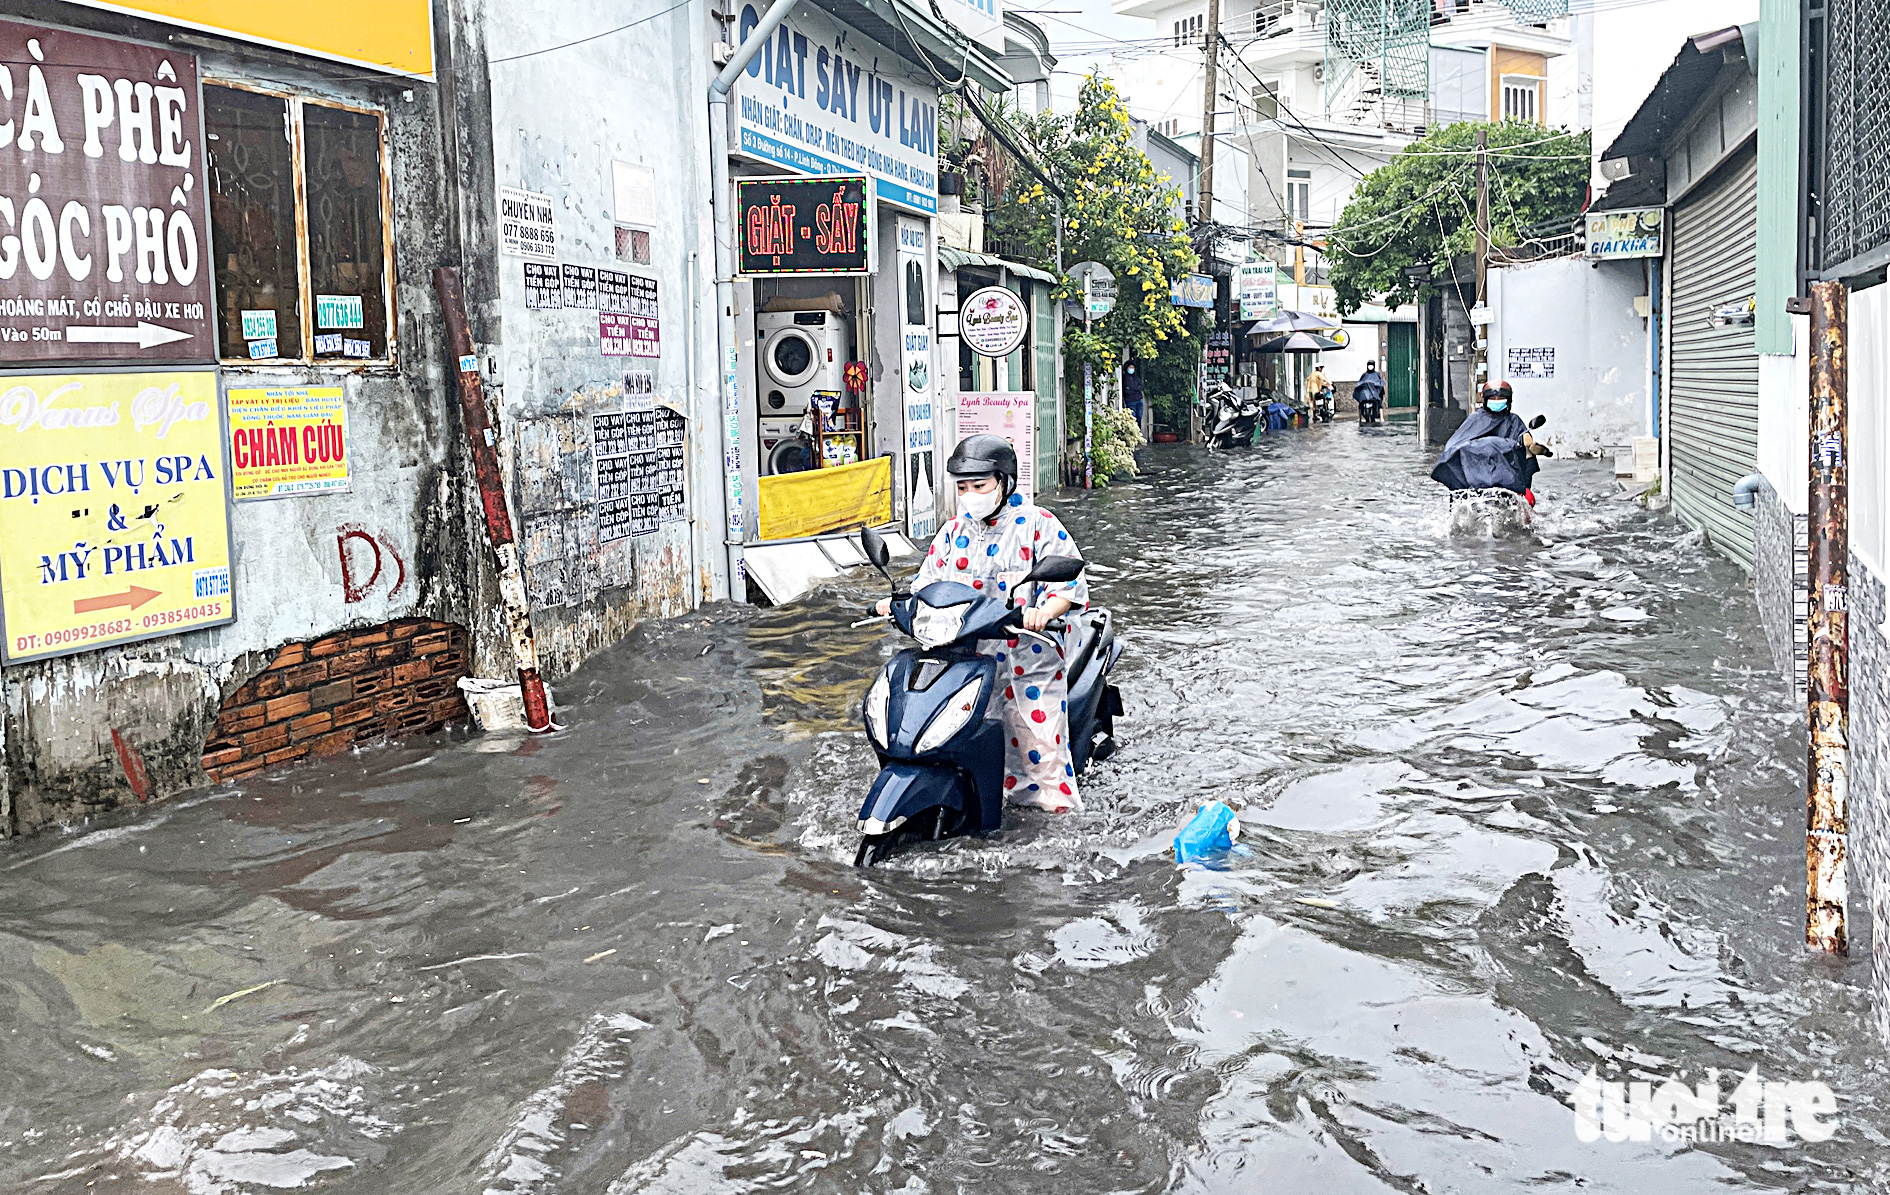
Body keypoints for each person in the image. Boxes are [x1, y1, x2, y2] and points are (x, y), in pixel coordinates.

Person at [876, 434, 1091, 812]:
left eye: (980, 485)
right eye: (963, 486)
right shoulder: (952, 532)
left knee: (1039, 751)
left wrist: (1045, 611)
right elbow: (926, 586)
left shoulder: (1037, 524)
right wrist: (898, 606)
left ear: (1004, 482)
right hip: (965, 661)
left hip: (1028, 659)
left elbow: (1067, 585)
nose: (970, 493)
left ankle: (1061, 830)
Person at [1430, 381, 1548, 494]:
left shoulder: (1514, 421)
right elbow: (1454, 447)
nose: (1496, 401)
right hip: (1476, 478)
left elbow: (1525, 442)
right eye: (1493, 398)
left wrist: (1532, 447)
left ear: (1509, 400)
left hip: (1508, 478)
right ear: (1486, 400)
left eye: (1501, 399)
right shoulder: (1474, 420)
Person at [1353, 360, 1387, 425]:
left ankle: (1381, 417)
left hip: (1374, 394)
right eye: (1369, 365)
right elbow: (1359, 383)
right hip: (1365, 395)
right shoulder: (1364, 375)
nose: (1370, 366)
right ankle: (1360, 417)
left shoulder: (1376, 374)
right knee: (1360, 403)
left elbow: (1380, 384)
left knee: (1379, 403)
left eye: (1371, 365)